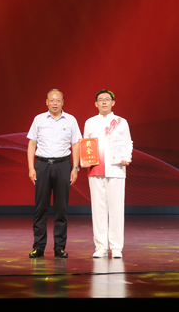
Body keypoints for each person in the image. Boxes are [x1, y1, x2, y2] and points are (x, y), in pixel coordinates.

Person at [26, 89, 81, 259]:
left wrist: (75, 167)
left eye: (58, 100)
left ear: (63, 102)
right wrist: (31, 168)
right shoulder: (39, 119)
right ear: (47, 102)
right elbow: (32, 144)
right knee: (40, 207)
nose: (55, 103)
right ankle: (38, 247)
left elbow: (76, 145)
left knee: (61, 208)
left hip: (63, 165)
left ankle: (59, 247)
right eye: (52, 100)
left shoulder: (71, 120)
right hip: (42, 165)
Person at [81, 89, 132, 258]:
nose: (104, 102)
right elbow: (85, 144)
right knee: (98, 209)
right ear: (96, 103)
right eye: (101, 99)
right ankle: (101, 247)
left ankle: (116, 247)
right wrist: (84, 160)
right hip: (95, 170)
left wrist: (127, 157)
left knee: (116, 209)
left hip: (116, 169)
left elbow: (128, 142)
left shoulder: (121, 122)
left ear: (113, 102)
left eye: (107, 99)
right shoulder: (90, 122)